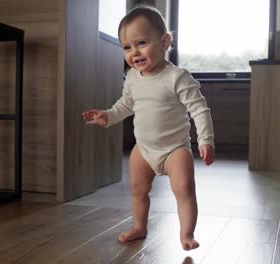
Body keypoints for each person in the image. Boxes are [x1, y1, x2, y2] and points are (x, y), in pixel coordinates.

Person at [82, 5, 214, 251]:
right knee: (137, 189)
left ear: (165, 41)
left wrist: (206, 140)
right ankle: (139, 226)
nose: (134, 53)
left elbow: (199, 109)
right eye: (127, 47)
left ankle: (187, 233)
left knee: (184, 189)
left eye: (141, 43)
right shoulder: (132, 77)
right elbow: (126, 105)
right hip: (143, 148)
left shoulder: (177, 77)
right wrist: (108, 116)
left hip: (175, 149)